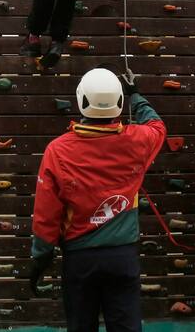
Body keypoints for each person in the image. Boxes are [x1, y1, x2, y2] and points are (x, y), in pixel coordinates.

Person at [29, 68, 166, 332]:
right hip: (122, 255)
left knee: (81, 325)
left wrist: (40, 258)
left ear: (81, 99)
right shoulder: (138, 140)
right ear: (119, 102)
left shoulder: (58, 150)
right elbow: (157, 126)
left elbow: (47, 214)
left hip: (80, 257)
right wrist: (135, 94)